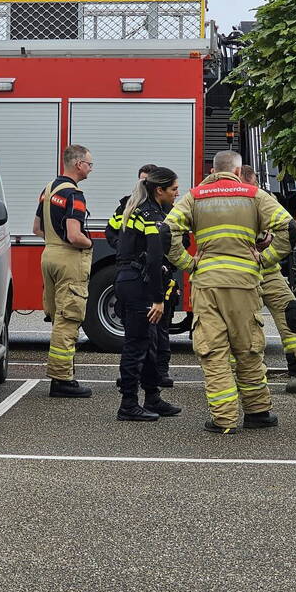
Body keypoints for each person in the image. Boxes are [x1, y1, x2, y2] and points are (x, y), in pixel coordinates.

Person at [166, 150, 296, 434]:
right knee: (248, 347)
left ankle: (224, 419)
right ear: (238, 172)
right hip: (244, 283)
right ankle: (258, 411)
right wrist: (266, 258)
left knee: (214, 351)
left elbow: (167, 232)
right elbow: (289, 227)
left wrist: (188, 263)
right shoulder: (254, 195)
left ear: (213, 171)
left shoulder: (195, 196)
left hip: (208, 284)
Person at [113, 167, 183, 421]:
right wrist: (158, 300)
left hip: (131, 279)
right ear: (159, 190)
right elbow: (154, 260)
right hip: (138, 285)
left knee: (151, 342)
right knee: (137, 344)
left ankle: (152, 397)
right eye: (174, 189)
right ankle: (128, 404)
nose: (177, 194)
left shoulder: (140, 208)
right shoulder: (152, 215)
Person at [238, 165, 296, 388]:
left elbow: (284, 228)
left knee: (291, 312)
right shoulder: (226, 202)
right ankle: (245, 375)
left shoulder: (264, 198)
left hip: (267, 270)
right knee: (245, 326)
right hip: (240, 273)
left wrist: (267, 252)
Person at [33, 144, 95, 398]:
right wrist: (90, 243)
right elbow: (74, 235)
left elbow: (36, 228)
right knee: (68, 319)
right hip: (69, 258)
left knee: (57, 317)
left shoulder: (48, 190)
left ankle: (62, 372)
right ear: (79, 164)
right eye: (90, 164)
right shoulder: (74, 195)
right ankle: (62, 380)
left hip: (49, 254)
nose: (91, 168)